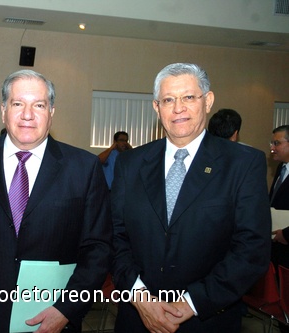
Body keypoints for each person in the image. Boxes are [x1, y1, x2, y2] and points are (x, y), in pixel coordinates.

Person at [0, 69, 112, 333]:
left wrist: (66, 309)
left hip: (53, 317)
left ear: (52, 112)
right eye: (18, 103)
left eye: (39, 105)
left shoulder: (83, 168)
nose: (27, 114)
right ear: (3, 110)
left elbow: (98, 247)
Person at [111, 63, 271, 333]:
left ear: (207, 101)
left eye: (188, 97)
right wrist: (140, 297)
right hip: (137, 318)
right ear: (156, 107)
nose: (178, 108)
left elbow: (251, 249)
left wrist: (192, 303)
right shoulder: (131, 163)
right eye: (168, 100)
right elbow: (114, 236)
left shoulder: (243, 164)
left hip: (207, 319)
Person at [269, 125, 289, 275]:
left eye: (277, 143)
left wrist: (287, 234)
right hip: (277, 248)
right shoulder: (281, 168)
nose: (272, 148)